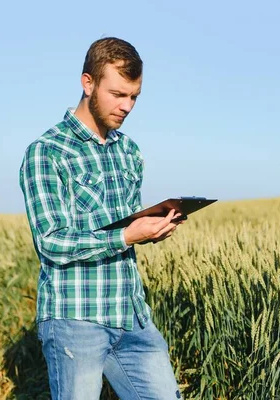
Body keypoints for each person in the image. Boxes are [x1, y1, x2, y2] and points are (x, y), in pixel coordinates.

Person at [19, 37, 184, 400]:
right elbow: (52, 242)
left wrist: (151, 230)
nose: (126, 106)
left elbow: (125, 225)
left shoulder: (129, 151)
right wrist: (126, 236)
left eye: (134, 97)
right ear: (87, 83)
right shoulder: (47, 153)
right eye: (117, 94)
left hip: (132, 317)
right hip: (75, 319)